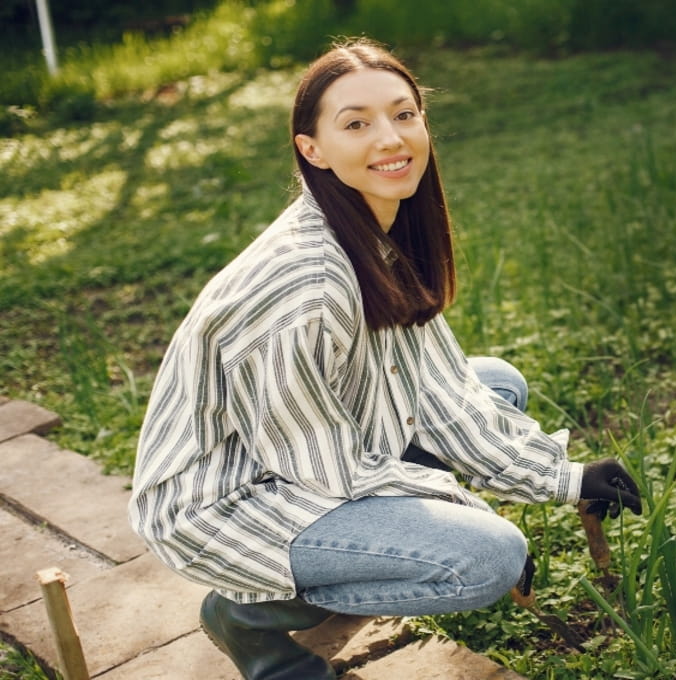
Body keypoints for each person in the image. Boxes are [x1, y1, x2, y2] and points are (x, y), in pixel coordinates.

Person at [128, 38, 642, 680]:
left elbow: (441, 387)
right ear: (311, 150)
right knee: (484, 559)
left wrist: (565, 477)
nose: (390, 139)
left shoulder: (374, 230)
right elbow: (320, 468)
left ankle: (351, 561)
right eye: (356, 124)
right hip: (229, 499)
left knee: (495, 386)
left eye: (404, 114)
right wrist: (466, 512)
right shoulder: (306, 283)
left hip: (305, 455)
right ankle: (247, 614)